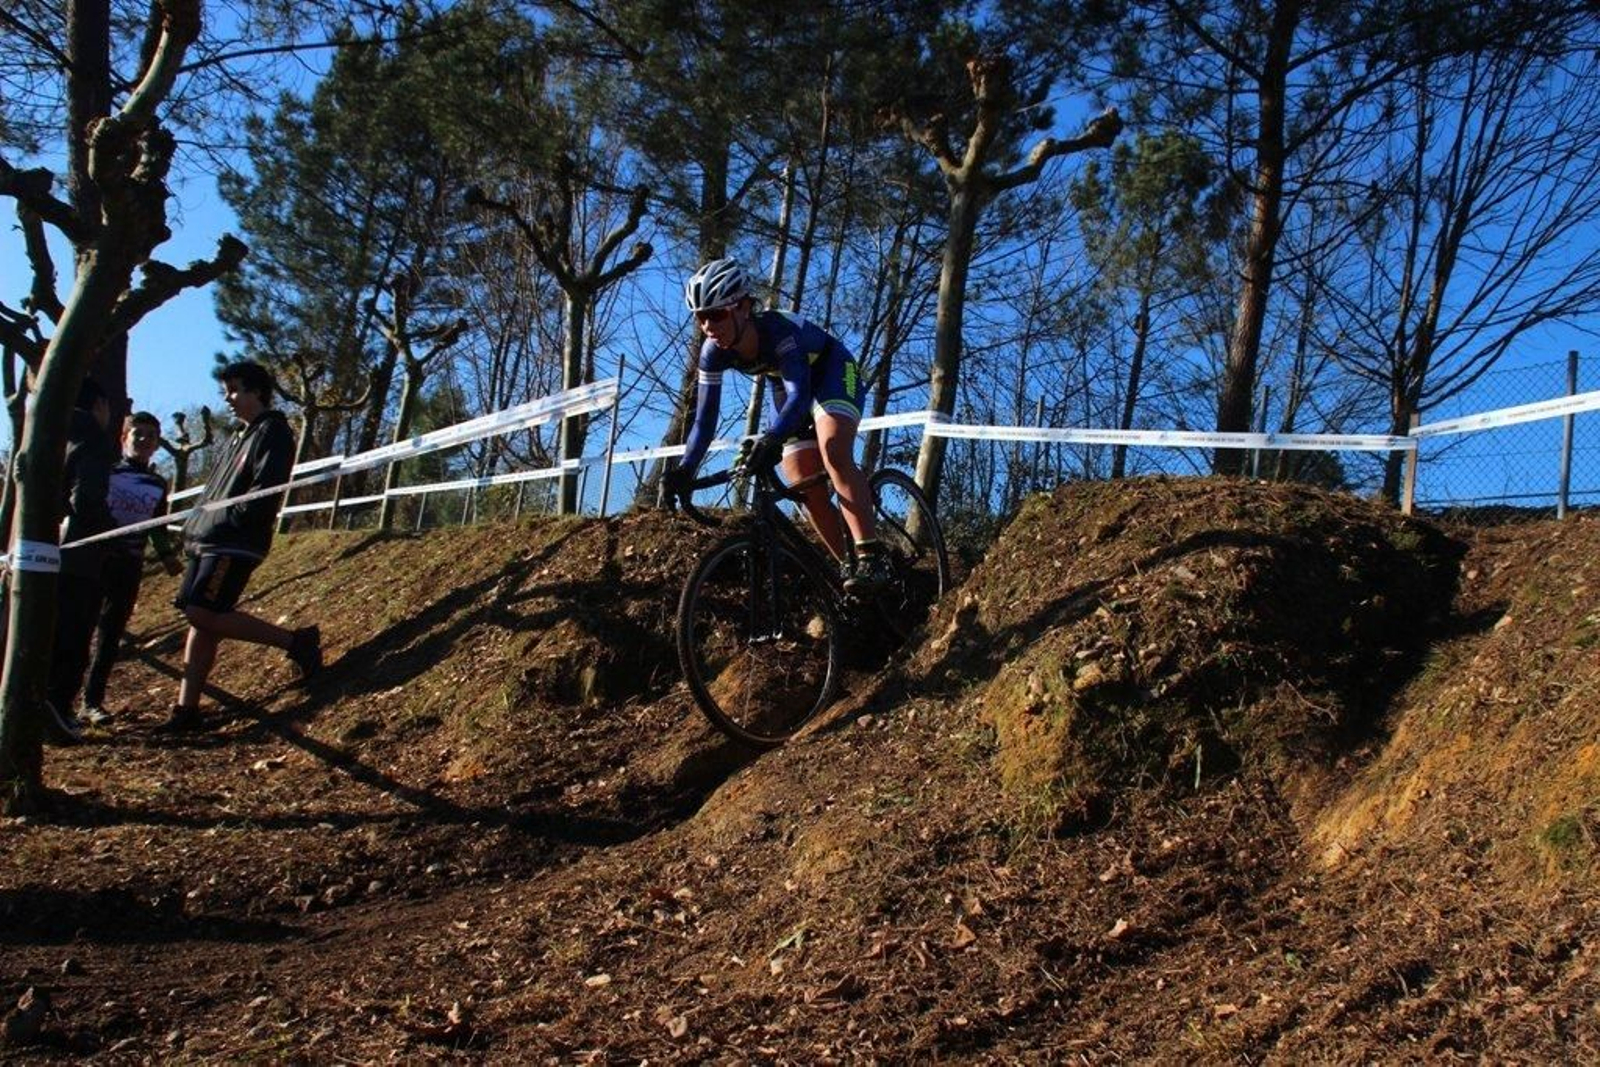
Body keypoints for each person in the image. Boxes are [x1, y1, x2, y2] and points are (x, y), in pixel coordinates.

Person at [663, 257, 891, 593]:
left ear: (743, 307)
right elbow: (705, 419)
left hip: (831, 371)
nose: (708, 326)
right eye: (700, 317)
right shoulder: (712, 352)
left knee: (833, 450)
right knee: (800, 480)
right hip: (786, 384)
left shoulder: (778, 331)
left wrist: (771, 439)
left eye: (716, 314)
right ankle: (850, 569)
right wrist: (685, 469)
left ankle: (872, 556)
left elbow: (800, 396)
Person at [167, 360, 320, 731]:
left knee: (202, 612)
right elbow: (214, 491)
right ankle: (187, 709)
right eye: (226, 392)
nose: (228, 399)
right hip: (206, 539)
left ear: (257, 391)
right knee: (201, 619)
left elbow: (266, 488)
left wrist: (231, 521)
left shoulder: (273, 432)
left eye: (235, 390)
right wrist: (195, 527)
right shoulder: (238, 436)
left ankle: (296, 642)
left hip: (233, 540)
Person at [78, 411, 184, 727]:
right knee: (79, 628)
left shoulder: (158, 484)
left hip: (129, 566)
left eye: (151, 436)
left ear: (157, 445)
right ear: (124, 438)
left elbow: (157, 526)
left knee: (110, 635)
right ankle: (57, 698)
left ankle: (91, 702)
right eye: (138, 433)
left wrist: (167, 557)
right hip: (95, 561)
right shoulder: (108, 472)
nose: (144, 440)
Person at [43, 378, 117, 744]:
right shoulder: (93, 437)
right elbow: (87, 499)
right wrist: (109, 528)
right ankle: (56, 710)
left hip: (42, 551)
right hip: (78, 555)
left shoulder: (49, 432)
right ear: (99, 405)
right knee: (73, 635)